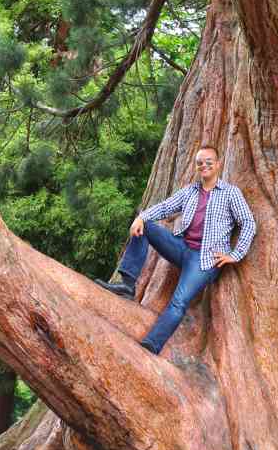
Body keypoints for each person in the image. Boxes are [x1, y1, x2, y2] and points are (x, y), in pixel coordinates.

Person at [98, 145, 256, 354]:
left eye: (209, 162)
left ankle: (151, 346)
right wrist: (140, 217)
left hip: (204, 260)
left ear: (218, 164)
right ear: (197, 167)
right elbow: (164, 207)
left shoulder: (230, 193)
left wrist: (235, 255)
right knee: (145, 226)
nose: (204, 166)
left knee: (178, 302)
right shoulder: (190, 191)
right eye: (200, 162)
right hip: (181, 248)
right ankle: (127, 285)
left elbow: (248, 223)